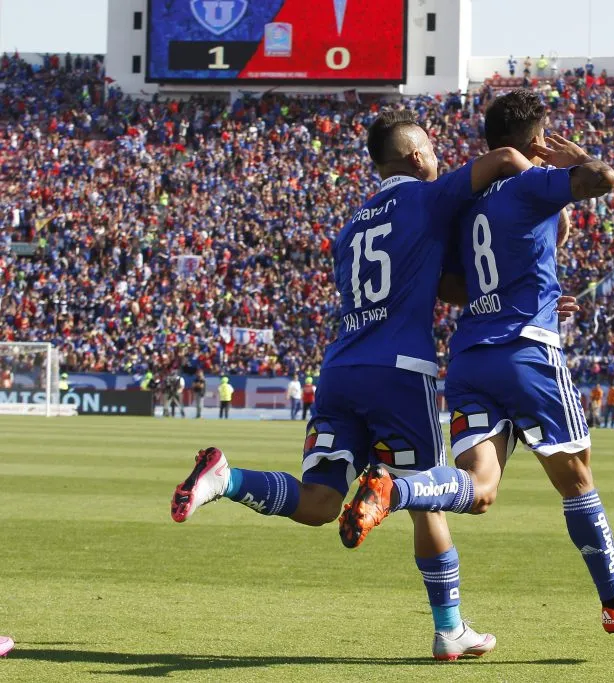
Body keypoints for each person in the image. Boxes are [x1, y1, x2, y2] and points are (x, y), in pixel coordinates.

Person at [171, 109, 537, 660]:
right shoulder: (427, 197)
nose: (438, 159)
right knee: (426, 497)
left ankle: (226, 479)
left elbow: (431, 284)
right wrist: (541, 172)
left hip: (340, 370)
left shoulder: (350, 229)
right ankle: (449, 629)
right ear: (416, 157)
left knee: (319, 502)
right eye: (433, 151)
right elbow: (507, 158)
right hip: (400, 372)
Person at [338, 90, 614, 636]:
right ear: (537, 140)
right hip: (528, 349)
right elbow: (604, 180)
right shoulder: (532, 183)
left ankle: (398, 489)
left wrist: (520, 286)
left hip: (469, 358)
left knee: (479, 486)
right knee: (576, 478)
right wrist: (575, 160)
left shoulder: (464, 209)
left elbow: (446, 284)